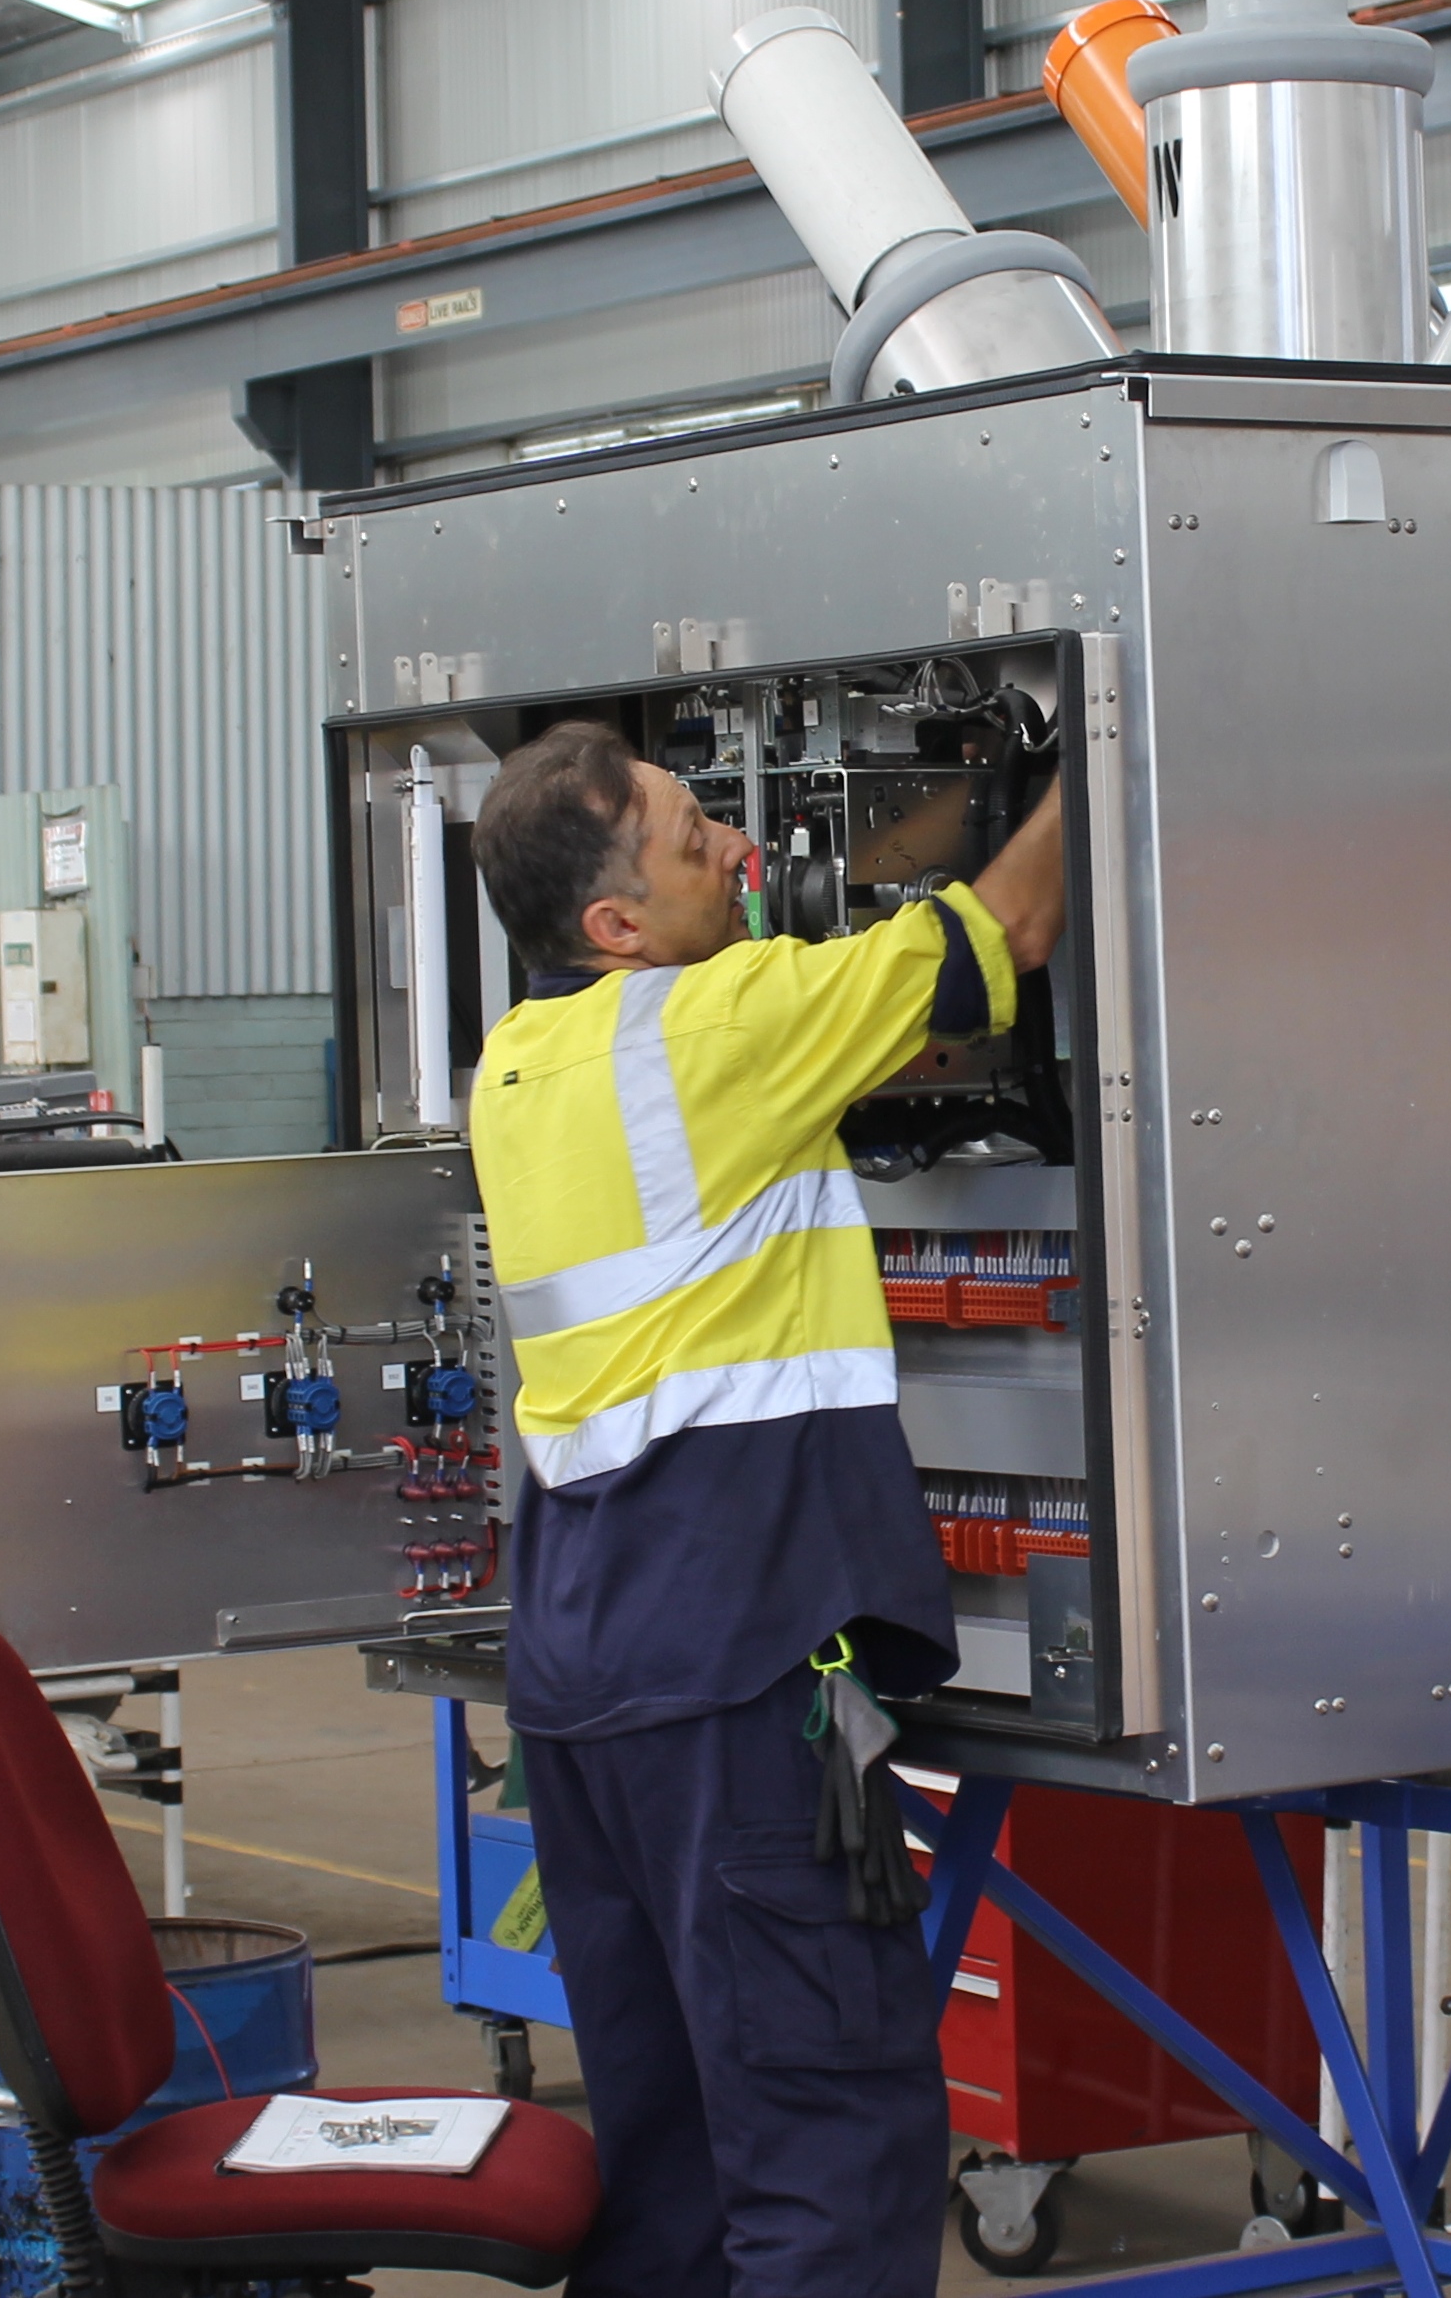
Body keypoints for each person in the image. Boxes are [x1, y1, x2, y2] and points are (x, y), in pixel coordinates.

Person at [466, 718, 1067, 2298]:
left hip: (584, 1675)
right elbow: (1002, 930)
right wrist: (1115, 747)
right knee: (827, 2151)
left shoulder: (514, 1066)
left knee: (670, 2168)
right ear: (615, 924)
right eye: (693, 839)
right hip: (731, 1665)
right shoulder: (719, 1030)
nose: (740, 846)